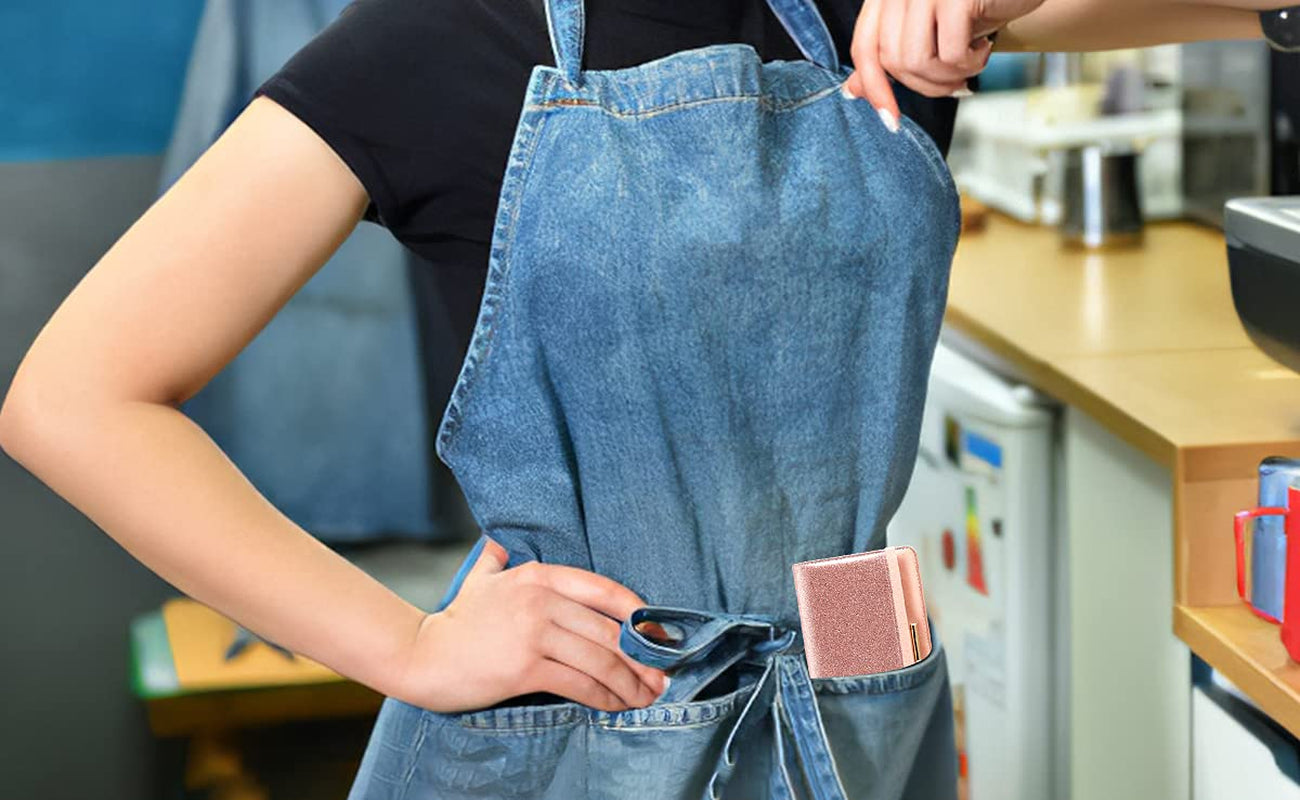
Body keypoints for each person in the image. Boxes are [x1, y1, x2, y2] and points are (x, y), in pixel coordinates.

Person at [0, 1, 1286, 798]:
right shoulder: (434, 40)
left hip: (855, 696)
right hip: (583, 724)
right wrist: (409, 646)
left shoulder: (862, 9)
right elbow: (73, 398)